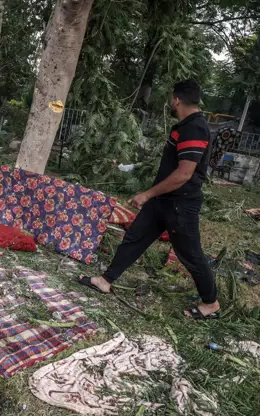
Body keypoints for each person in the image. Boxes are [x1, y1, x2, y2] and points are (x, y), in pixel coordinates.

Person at [80, 79, 220, 319]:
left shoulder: (194, 128)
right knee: (135, 237)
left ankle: (211, 304)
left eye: (171, 99)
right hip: (163, 200)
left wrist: (147, 194)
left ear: (176, 99)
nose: (170, 103)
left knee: (191, 254)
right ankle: (105, 280)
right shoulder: (184, 125)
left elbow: (184, 174)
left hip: (180, 204)